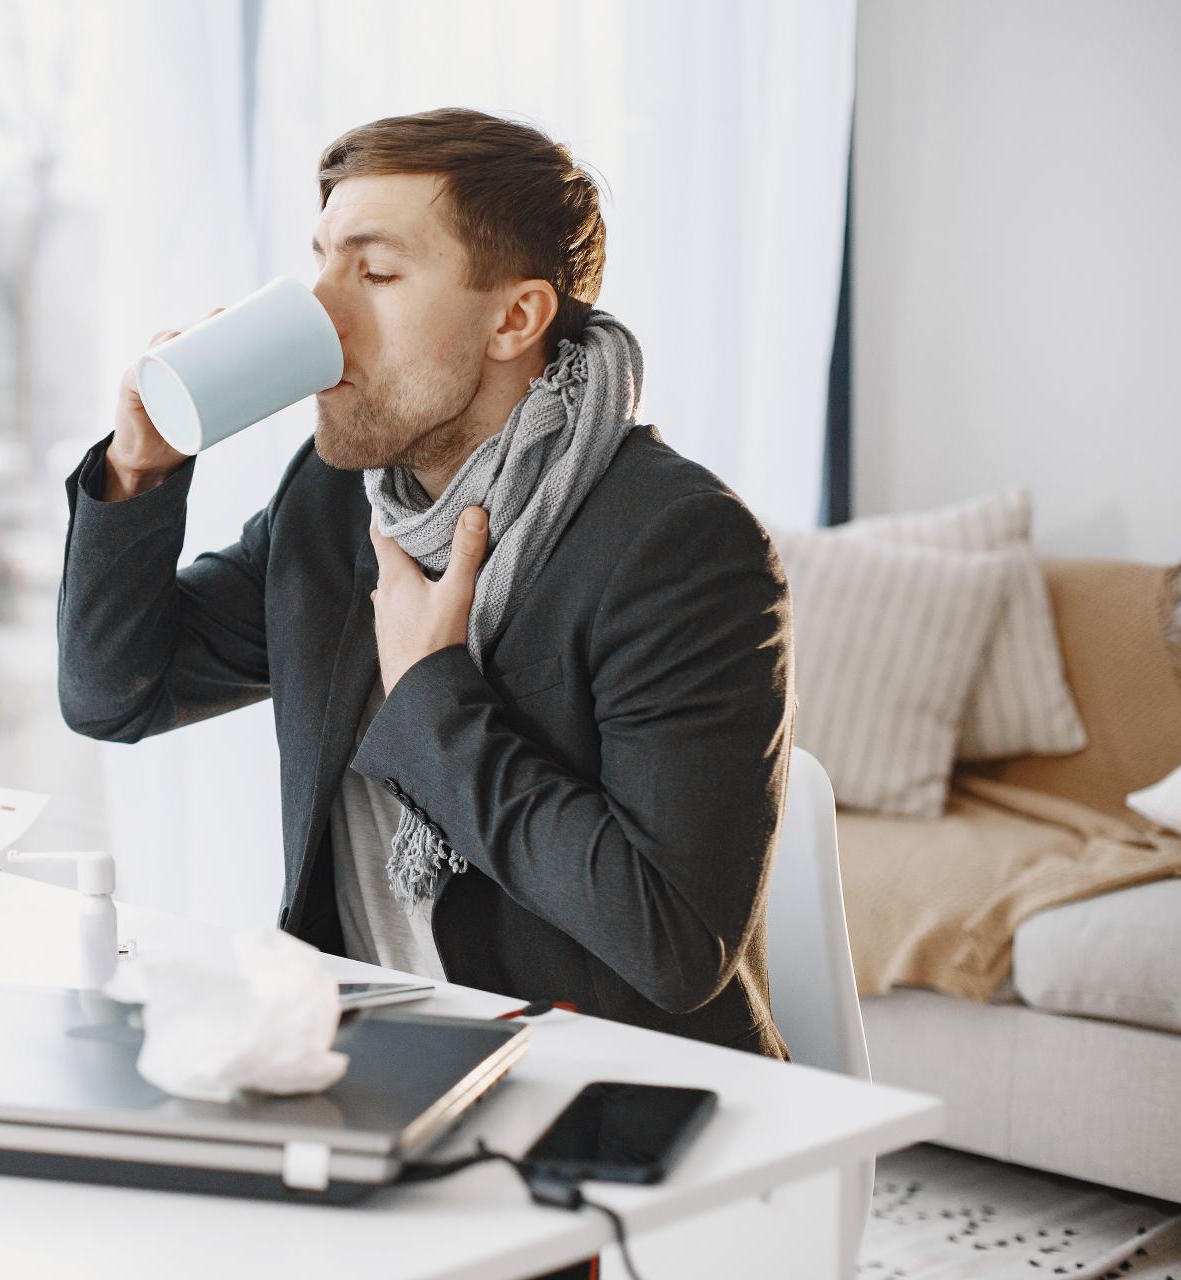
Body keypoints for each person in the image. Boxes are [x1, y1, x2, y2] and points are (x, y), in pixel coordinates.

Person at [58, 106, 793, 1066]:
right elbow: (116, 693)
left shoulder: (677, 545)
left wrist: (433, 698)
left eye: (376, 271)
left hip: (603, 1101)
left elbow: (673, 941)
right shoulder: (334, 504)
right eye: (320, 262)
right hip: (369, 1063)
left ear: (515, 318)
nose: (321, 310)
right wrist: (138, 471)